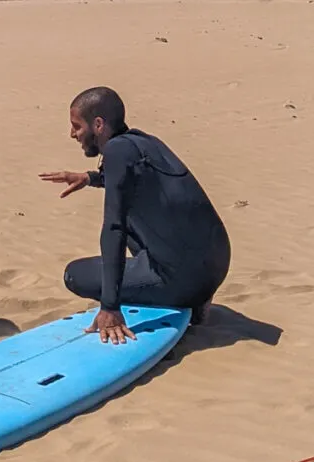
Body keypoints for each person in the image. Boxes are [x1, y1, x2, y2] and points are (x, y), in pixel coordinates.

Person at [40, 87, 231, 344]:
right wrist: (90, 178)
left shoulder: (116, 152)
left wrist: (110, 306)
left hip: (186, 279)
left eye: (76, 126)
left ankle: (186, 295)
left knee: (74, 275)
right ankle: (197, 299)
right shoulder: (142, 142)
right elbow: (128, 179)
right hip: (215, 265)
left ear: (98, 124)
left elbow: (113, 229)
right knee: (136, 214)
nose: (72, 134)